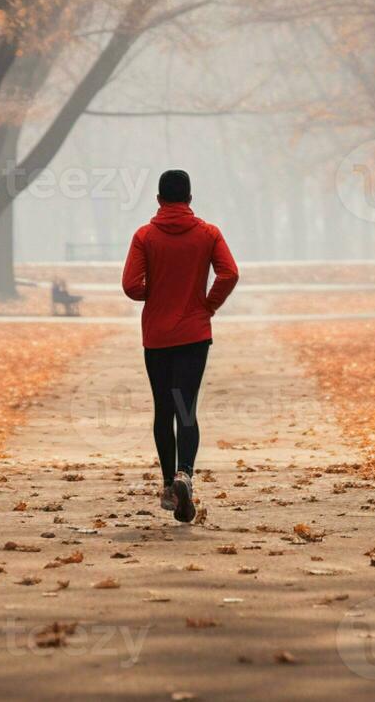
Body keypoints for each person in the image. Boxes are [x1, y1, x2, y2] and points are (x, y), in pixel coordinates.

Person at [121, 169, 238, 523]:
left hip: (157, 335)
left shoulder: (145, 236)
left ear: (158, 199)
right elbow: (229, 273)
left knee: (163, 409)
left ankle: (169, 485)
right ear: (190, 198)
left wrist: (152, 294)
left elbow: (130, 285)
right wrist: (208, 304)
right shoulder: (208, 234)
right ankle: (186, 472)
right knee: (186, 406)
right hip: (194, 333)